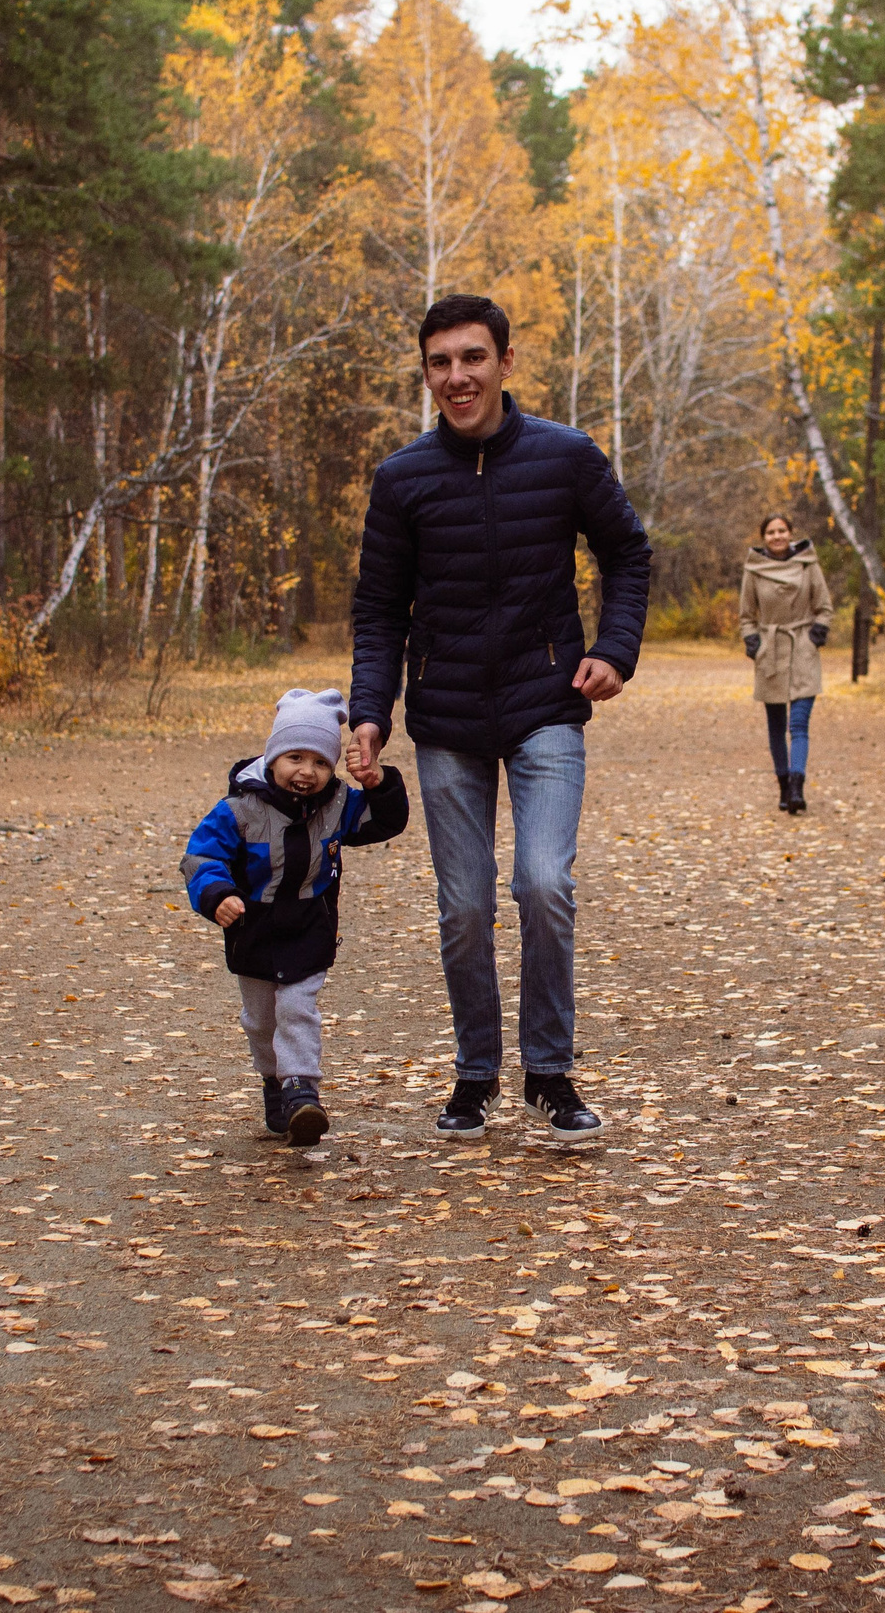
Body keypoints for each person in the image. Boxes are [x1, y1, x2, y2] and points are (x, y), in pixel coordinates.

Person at [346, 293, 652, 1145]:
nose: (457, 377)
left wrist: (615, 651)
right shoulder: (403, 478)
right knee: (465, 904)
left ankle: (549, 1070)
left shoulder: (565, 457)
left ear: (505, 362)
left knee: (544, 883)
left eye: (472, 358)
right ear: (426, 373)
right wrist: (372, 713)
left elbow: (627, 552)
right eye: (440, 362)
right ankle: (476, 1073)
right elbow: (378, 610)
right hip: (445, 718)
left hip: (546, 703)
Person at [181, 688, 409, 1146]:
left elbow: (386, 822)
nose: (307, 772)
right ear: (272, 758)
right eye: (295, 758)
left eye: (321, 763)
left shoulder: (337, 806)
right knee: (261, 1020)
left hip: (309, 926)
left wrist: (378, 782)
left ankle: (302, 1091)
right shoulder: (239, 810)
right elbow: (200, 858)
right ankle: (274, 1085)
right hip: (253, 929)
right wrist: (218, 895)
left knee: (297, 1008)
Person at [739, 512, 832, 814]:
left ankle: (796, 786)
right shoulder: (753, 569)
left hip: (803, 648)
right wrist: (754, 642)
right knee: (776, 726)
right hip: (771, 651)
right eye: (770, 532)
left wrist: (817, 634)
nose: (777, 536)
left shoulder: (808, 564)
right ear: (763, 537)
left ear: (791, 534)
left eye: (782, 531)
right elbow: (746, 615)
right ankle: (782, 784)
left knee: (799, 724)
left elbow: (824, 606)